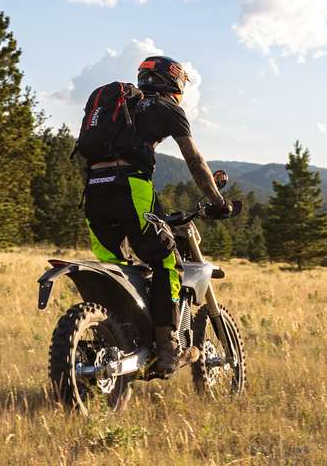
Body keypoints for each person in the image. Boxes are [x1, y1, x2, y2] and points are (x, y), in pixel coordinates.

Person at [82, 55, 229, 376]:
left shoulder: (120, 109)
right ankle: (167, 349)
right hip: (130, 188)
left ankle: (119, 337)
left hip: (93, 190)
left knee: (116, 267)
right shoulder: (166, 108)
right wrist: (216, 199)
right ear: (174, 81)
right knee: (165, 261)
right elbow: (195, 160)